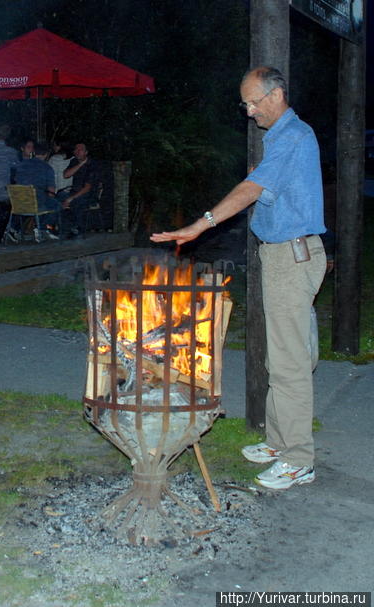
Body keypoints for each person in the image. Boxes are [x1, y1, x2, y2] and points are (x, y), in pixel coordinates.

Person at [150, 66, 326, 491]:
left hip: (292, 256)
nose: (248, 111)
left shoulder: (293, 136)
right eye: (244, 103)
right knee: (282, 357)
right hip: (283, 256)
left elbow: (250, 189)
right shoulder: (281, 141)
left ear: (277, 94)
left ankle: (299, 460)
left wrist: (200, 224)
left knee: (290, 364)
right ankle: (280, 442)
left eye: (253, 101)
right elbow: (266, 190)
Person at [9, 140, 59, 242]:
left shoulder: (21, 165)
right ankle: (42, 228)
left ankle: (13, 229)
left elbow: (16, 181)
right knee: (56, 204)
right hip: (36, 203)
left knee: (40, 201)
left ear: (34, 152)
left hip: (19, 202)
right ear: (46, 154)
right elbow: (51, 190)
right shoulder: (47, 168)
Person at [59, 142, 99, 239]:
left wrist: (70, 199)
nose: (77, 152)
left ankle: (77, 229)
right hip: (74, 191)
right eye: (76, 149)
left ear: (86, 152)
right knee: (59, 196)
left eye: (80, 150)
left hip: (88, 194)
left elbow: (87, 188)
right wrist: (80, 164)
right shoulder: (74, 162)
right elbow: (66, 175)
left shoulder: (92, 165)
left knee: (77, 201)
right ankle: (63, 229)